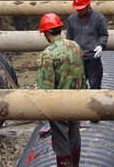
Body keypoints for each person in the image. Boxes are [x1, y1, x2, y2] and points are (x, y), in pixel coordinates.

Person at [36, 13, 85, 166]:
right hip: (78, 100)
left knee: (61, 141)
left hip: (59, 104)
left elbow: (46, 88)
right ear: (60, 29)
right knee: (74, 135)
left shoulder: (48, 54)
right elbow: (82, 74)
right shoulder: (75, 46)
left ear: (46, 32)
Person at [66, 0, 109, 90]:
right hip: (78, 60)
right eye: (77, 9)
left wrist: (101, 45)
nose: (79, 11)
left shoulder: (98, 18)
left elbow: (104, 35)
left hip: (93, 59)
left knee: (95, 87)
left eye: (81, 9)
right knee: (79, 87)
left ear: (88, 5)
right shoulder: (71, 20)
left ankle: (95, 105)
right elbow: (69, 39)